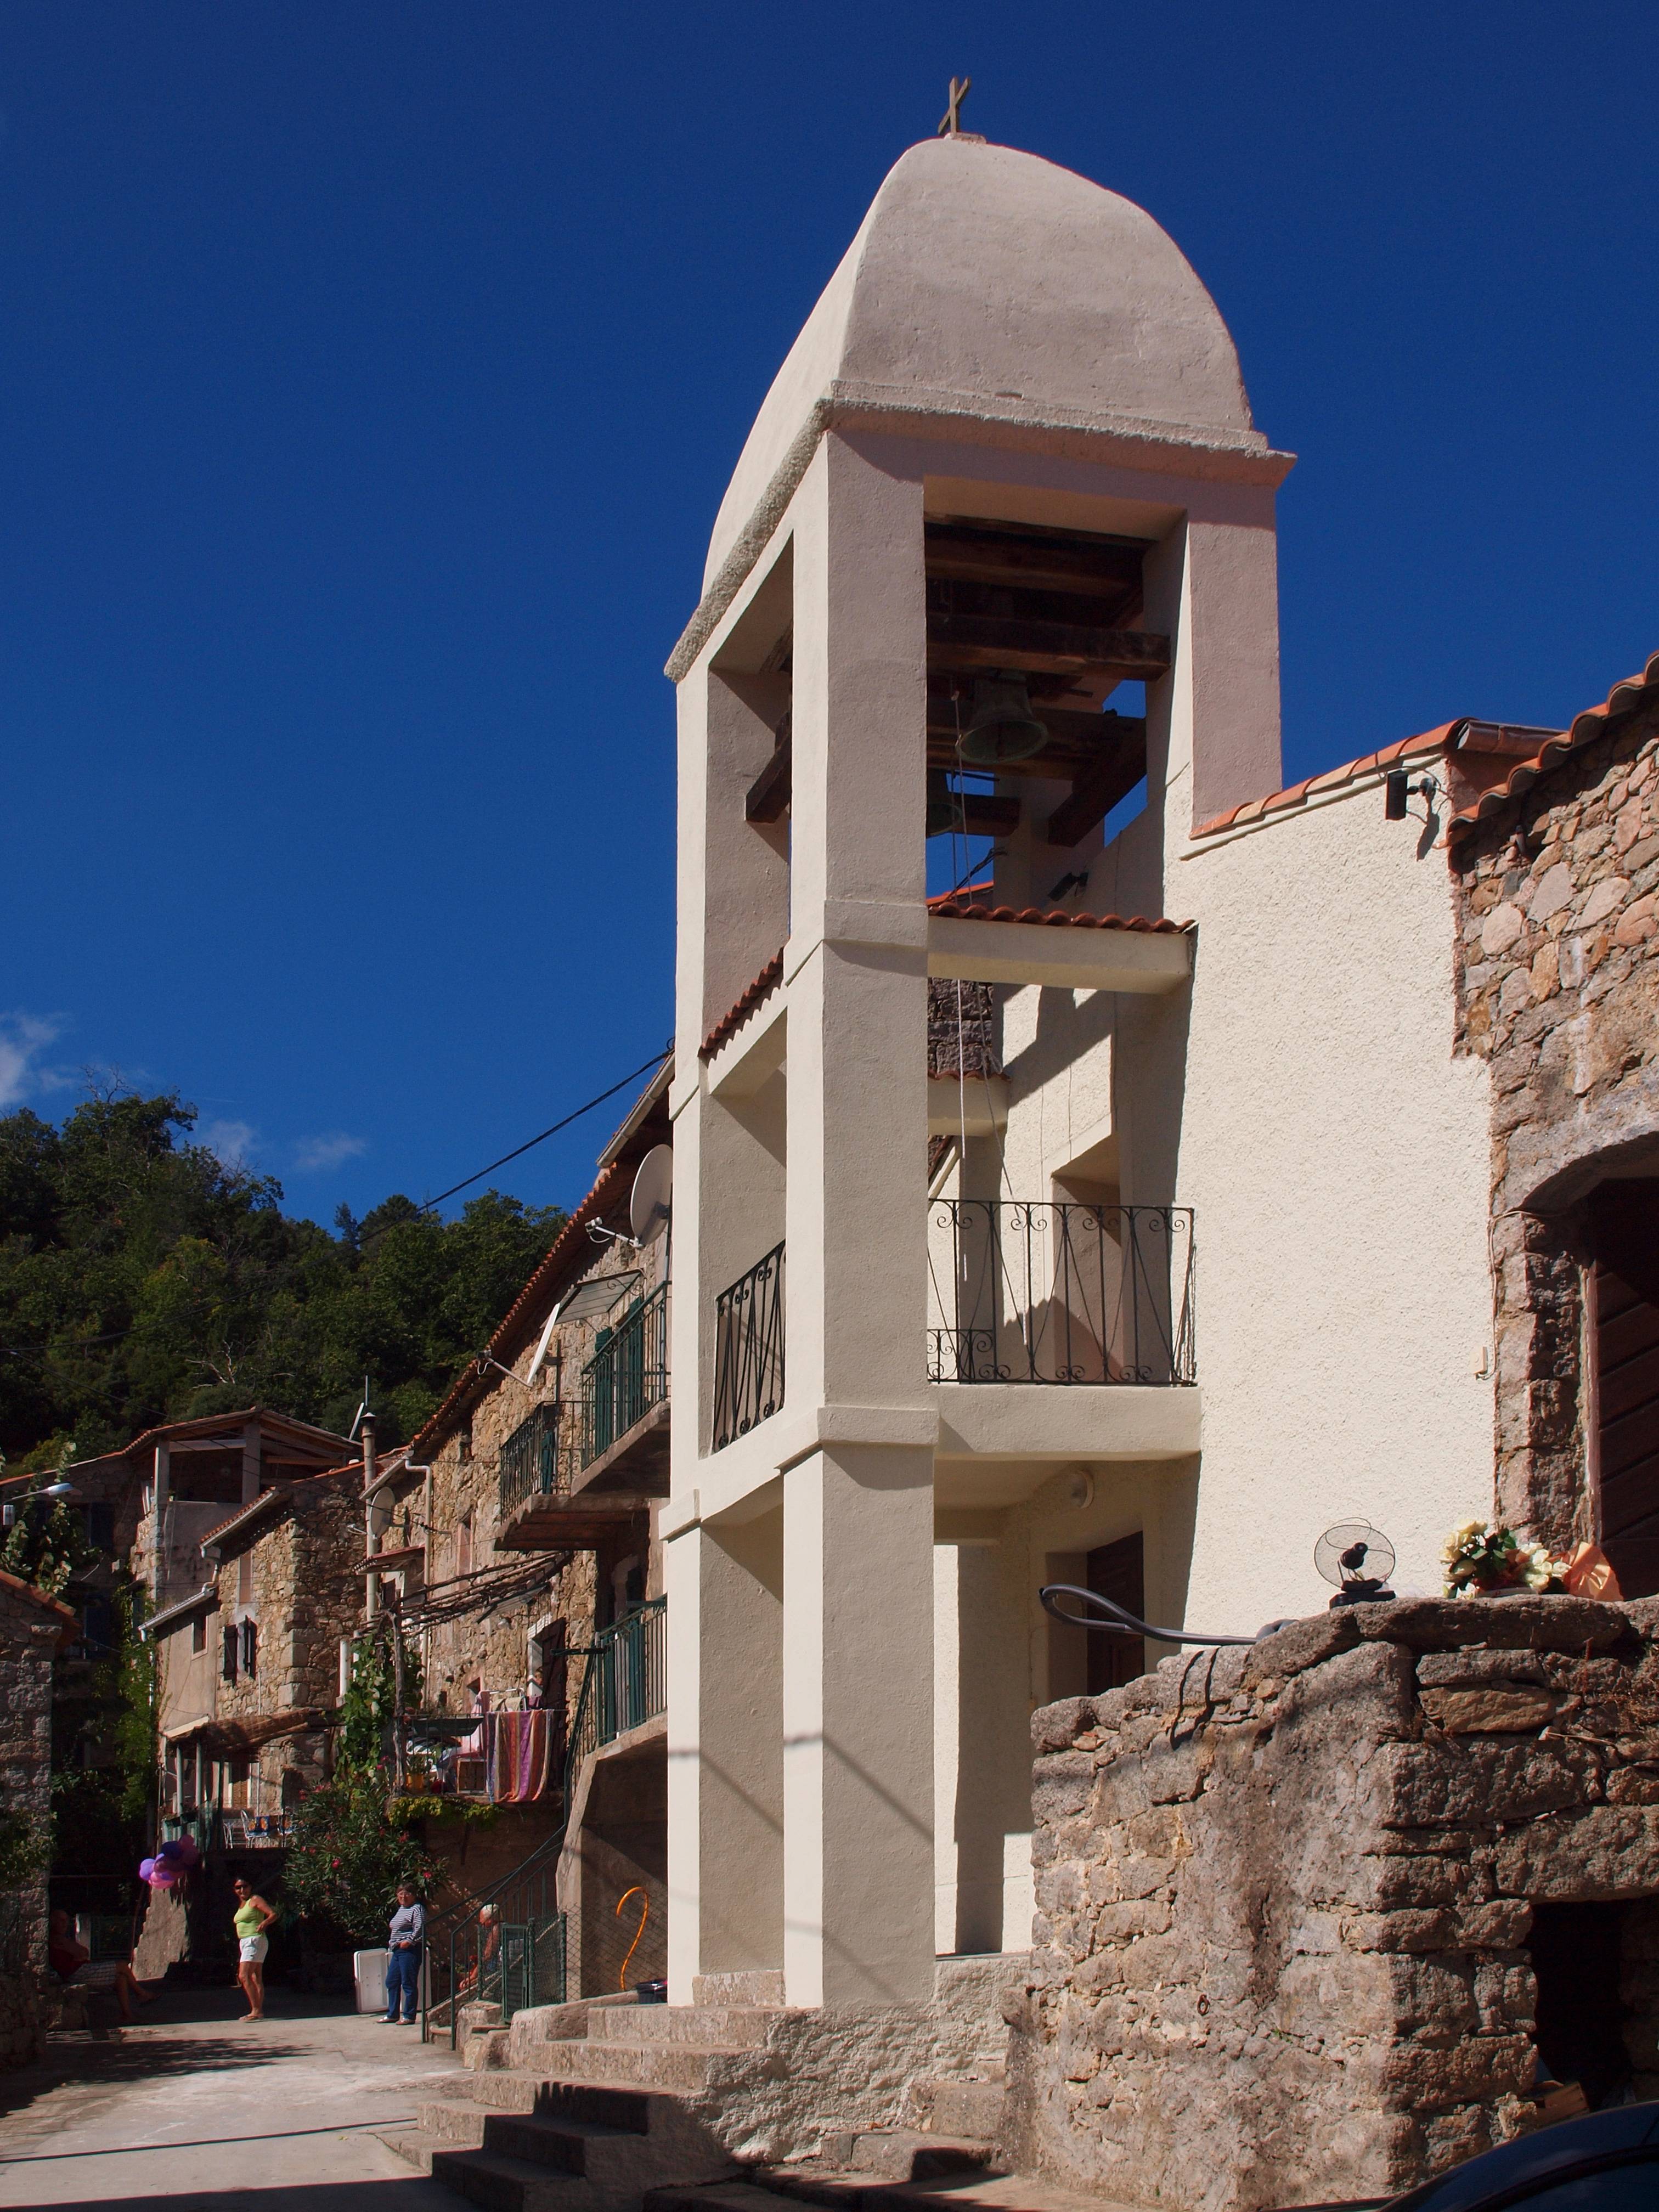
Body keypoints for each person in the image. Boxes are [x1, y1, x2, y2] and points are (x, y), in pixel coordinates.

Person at [47, 1910, 152, 2023]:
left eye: (66, 1920)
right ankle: (142, 1994)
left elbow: (84, 1953)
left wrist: (80, 1955)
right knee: (121, 1965)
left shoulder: (60, 1939)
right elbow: (82, 1952)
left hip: (78, 1971)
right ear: (53, 1921)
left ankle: (127, 2014)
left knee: (121, 1978)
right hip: (76, 1972)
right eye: (61, 1920)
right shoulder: (58, 1939)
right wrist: (79, 1955)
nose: (64, 1923)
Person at [230, 1877, 277, 2020]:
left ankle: (255, 2011)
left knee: (243, 1976)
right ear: (235, 1890)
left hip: (254, 1940)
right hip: (247, 1942)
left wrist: (264, 1923)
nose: (242, 1890)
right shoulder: (242, 1905)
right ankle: (258, 2011)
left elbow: (273, 1914)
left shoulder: (255, 1900)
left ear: (250, 1887)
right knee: (255, 1977)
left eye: (244, 1886)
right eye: (238, 1887)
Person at [381, 1882, 425, 2024]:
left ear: (413, 1895)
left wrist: (409, 1941)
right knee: (392, 1981)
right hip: (397, 1951)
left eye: (407, 1894)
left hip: (409, 1951)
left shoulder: (417, 1909)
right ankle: (393, 2014)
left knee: (408, 1983)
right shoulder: (402, 1909)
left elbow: (420, 1928)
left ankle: (409, 2016)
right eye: (401, 1894)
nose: (403, 1897)